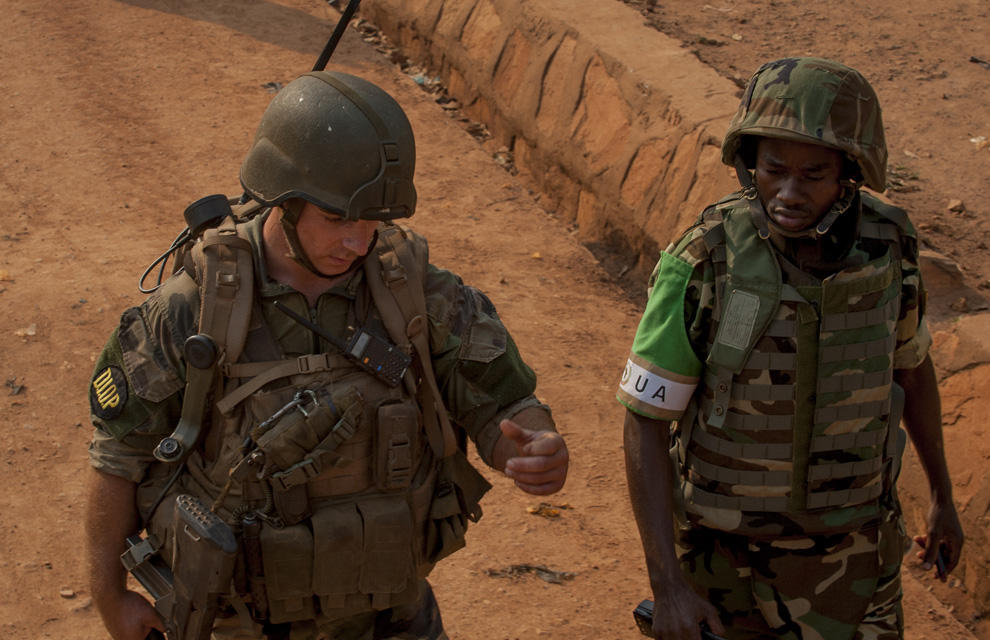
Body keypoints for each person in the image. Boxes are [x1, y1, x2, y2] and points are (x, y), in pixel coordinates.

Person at [85, 70, 569, 640]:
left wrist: (532, 446)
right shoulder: (192, 310)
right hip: (241, 626)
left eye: (373, 221)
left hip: (393, 615)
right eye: (337, 218)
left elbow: (501, 404)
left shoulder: (414, 293)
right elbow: (119, 458)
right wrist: (110, 596)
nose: (358, 242)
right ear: (282, 201)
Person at [618, 57, 963, 640]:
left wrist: (942, 496)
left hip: (856, 555)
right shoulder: (704, 259)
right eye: (773, 170)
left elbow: (911, 368)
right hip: (726, 562)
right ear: (749, 163)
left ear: (850, 172)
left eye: (813, 174)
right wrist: (668, 586)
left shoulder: (888, 246)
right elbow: (645, 419)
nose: (789, 192)